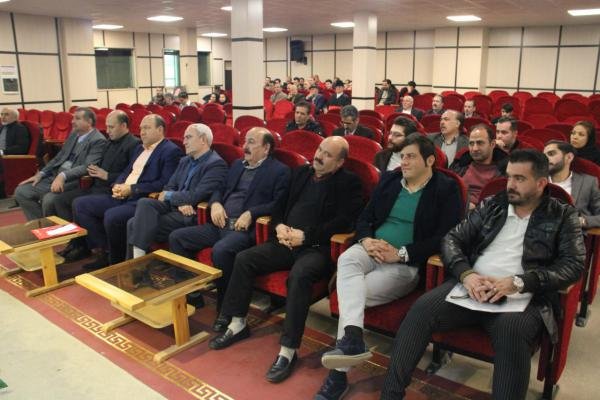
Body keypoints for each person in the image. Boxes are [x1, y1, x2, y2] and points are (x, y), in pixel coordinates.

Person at [383, 149, 585, 400]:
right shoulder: (494, 204)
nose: (510, 185)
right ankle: (390, 395)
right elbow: (452, 239)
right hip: (473, 284)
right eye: (509, 176)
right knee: (421, 310)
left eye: (520, 179)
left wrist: (520, 282)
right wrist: (466, 275)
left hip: (522, 296)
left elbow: (573, 265)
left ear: (541, 183)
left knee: (511, 334)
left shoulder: (563, 215)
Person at [315, 135, 463, 400]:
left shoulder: (446, 188)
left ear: (430, 160)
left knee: (352, 293)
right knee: (347, 259)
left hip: (404, 263)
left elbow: (445, 236)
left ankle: (338, 374)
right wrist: (366, 240)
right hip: (371, 249)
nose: (403, 162)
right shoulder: (391, 180)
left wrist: (401, 253)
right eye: (402, 156)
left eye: (411, 157)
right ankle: (352, 340)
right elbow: (365, 218)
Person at [208, 137, 363, 385]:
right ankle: (237, 323)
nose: (319, 156)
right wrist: (279, 226)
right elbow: (279, 207)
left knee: (299, 276)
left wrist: (306, 236)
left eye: (328, 155)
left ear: (340, 162)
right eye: (319, 150)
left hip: (316, 248)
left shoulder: (350, 183)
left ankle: (288, 351)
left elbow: (344, 221)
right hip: (285, 240)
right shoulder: (300, 173)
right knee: (245, 258)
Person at [169, 128, 290, 327]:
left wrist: (252, 213)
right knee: (177, 238)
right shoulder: (237, 165)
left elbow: (279, 204)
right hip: (220, 223)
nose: (245, 146)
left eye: (251, 142)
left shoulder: (279, 171)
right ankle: (192, 294)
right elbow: (219, 189)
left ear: (266, 148)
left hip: (244, 230)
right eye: (245, 141)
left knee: (222, 250)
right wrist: (216, 203)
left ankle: (225, 308)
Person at [73, 114, 183, 270]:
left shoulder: (171, 151)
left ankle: (117, 263)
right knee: (80, 204)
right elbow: (126, 171)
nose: (142, 132)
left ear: (160, 130)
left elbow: (164, 183)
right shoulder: (139, 148)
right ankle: (106, 250)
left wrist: (131, 189)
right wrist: (117, 185)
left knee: (112, 216)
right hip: (121, 195)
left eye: (147, 128)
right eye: (141, 128)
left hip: (141, 199)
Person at [126, 123, 228, 259]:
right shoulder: (185, 161)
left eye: (188, 137)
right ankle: (137, 262)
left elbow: (196, 196)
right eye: (184, 138)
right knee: (144, 202)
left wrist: (173, 197)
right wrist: (179, 202)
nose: (184, 142)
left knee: (133, 224)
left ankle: (136, 263)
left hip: (191, 214)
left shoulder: (216, 165)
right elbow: (168, 187)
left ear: (203, 140)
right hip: (176, 207)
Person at [54, 111, 140, 262]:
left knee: (79, 203)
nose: (107, 131)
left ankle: (103, 249)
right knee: (61, 199)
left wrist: (107, 175)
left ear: (123, 125)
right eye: (106, 127)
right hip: (96, 186)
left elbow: (132, 175)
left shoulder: (134, 145)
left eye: (111, 127)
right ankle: (78, 244)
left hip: (113, 190)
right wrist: (93, 169)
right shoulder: (109, 142)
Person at [15, 108, 107, 220]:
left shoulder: (98, 140)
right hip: (54, 175)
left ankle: (50, 227)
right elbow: (59, 157)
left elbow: (87, 167)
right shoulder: (74, 134)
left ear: (89, 122)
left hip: (73, 181)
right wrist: (41, 173)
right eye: (73, 118)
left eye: (77, 119)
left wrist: (63, 176)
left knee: (49, 200)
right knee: (21, 191)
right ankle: (40, 223)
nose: (72, 121)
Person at [544, 140, 600, 228]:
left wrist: (581, 221)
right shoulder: (536, 180)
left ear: (569, 157)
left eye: (551, 154)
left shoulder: (588, 182)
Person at [450, 124, 507, 209]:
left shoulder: (504, 172)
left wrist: (476, 209)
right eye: (471, 143)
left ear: (492, 144)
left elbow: (500, 205)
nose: (475, 148)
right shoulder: (460, 165)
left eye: (480, 143)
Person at [0, 108, 30, 197]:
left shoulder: (20, 128)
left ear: (15, 117)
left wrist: (2, 151)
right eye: (2, 114)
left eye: (6, 114)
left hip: (9, 159)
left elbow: (21, 148)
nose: (3, 117)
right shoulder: (2, 127)